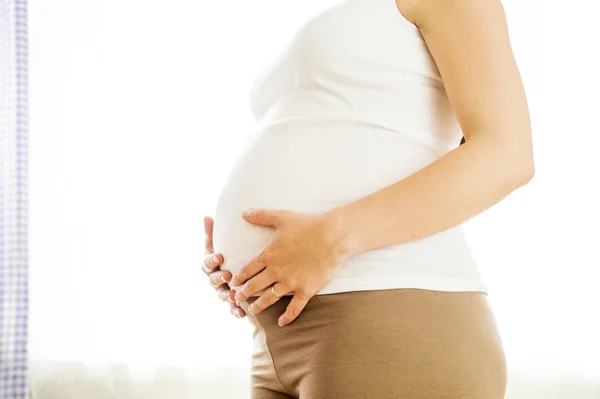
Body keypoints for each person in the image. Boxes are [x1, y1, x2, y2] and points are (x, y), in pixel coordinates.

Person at [203, 0, 533, 397]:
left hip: (391, 311)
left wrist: (328, 239)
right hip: (278, 333)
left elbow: (507, 156)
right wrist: (249, 264)